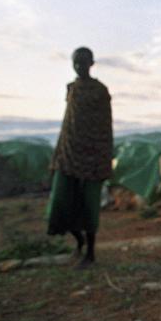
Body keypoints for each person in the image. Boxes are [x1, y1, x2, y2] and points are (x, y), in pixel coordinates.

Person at [47, 47, 113, 268]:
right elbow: (67, 125)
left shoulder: (100, 91)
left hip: (93, 157)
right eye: (75, 62)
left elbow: (105, 128)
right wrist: (57, 155)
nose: (79, 66)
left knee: (89, 206)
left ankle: (91, 254)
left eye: (83, 62)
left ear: (91, 63)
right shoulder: (72, 89)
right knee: (61, 203)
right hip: (69, 154)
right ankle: (79, 242)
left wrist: (103, 157)